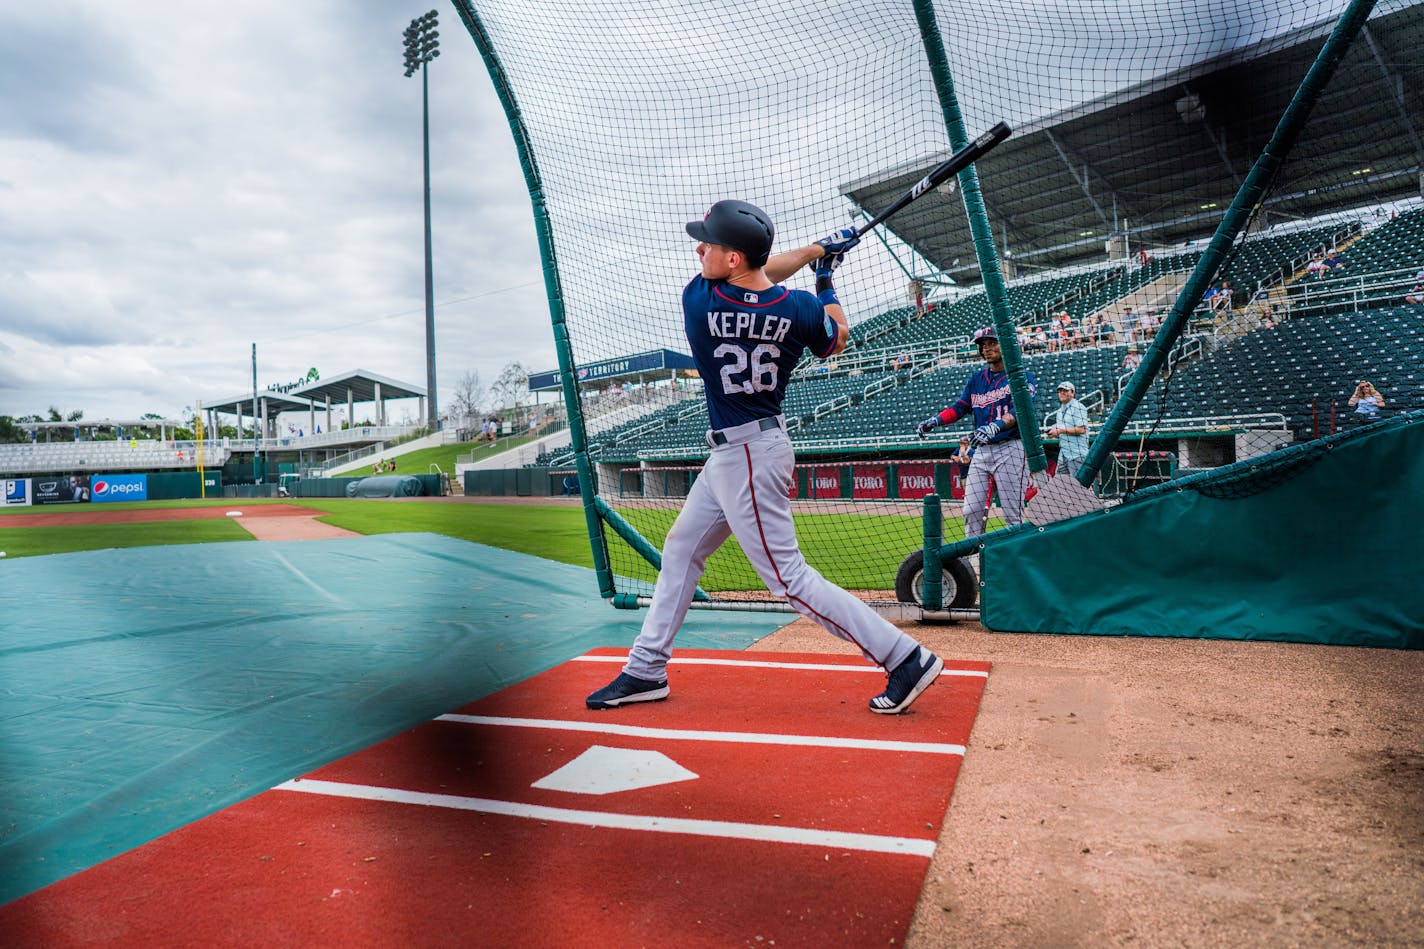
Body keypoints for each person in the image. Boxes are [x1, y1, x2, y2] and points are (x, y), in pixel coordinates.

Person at [586, 200, 943, 715]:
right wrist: (826, 278)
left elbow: (760, 272)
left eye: (708, 244)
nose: (699, 249)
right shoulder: (798, 309)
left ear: (732, 259)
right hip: (749, 450)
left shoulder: (701, 301)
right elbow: (836, 335)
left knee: (787, 578)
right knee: (682, 549)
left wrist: (819, 250)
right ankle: (645, 669)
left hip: (747, 456)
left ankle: (903, 656)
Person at [915, 326, 1037, 539]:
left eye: (992, 343)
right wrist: (936, 420)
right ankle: (973, 562)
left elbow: (1021, 410)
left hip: (1011, 448)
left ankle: (1015, 564)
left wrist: (996, 425)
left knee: (1012, 515)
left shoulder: (1021, 375)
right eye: (983, 345)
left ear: (1005, 345)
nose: (986, 349)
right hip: (981, 451)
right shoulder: (977, 379)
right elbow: (960, 406)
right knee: (971, 510)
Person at [1046, 381, 1090, 477]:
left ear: (1072, 393)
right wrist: (1054, 432)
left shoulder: (1078, 407)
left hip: (1077, 454)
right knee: (1061, 486)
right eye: (1060, 391)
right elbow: (1063, 429)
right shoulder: (1059, 411)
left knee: (1080, 486)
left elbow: (1081, 429)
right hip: (1064, 454)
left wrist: (1060, 430)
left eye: (1065, 390)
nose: (1062, 393)